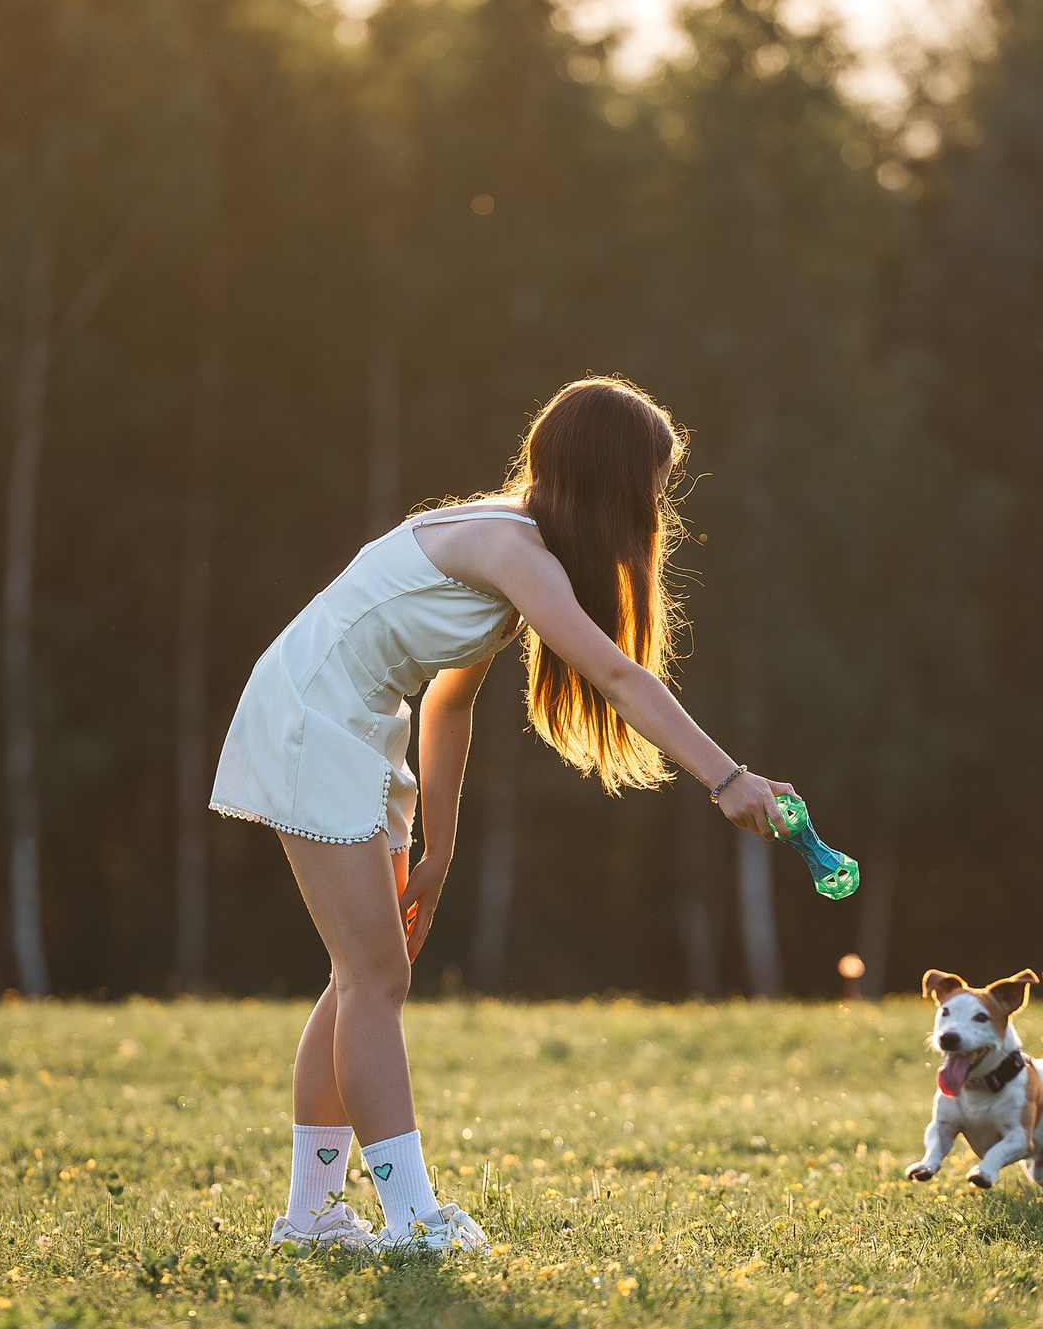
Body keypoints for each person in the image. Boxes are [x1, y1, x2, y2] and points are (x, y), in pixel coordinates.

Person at [210, 376, 795, 1253]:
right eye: (655, 487)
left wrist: (441, 846)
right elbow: (620, 677)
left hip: (362, 726)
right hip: (314, 715)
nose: (660, 509)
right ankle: (410, 1218)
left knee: (360, 976)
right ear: (612, 482)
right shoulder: (513, 546)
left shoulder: (522, 551)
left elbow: (450, 702)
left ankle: (312, 1218)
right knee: (375, 977)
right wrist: (727, 779)